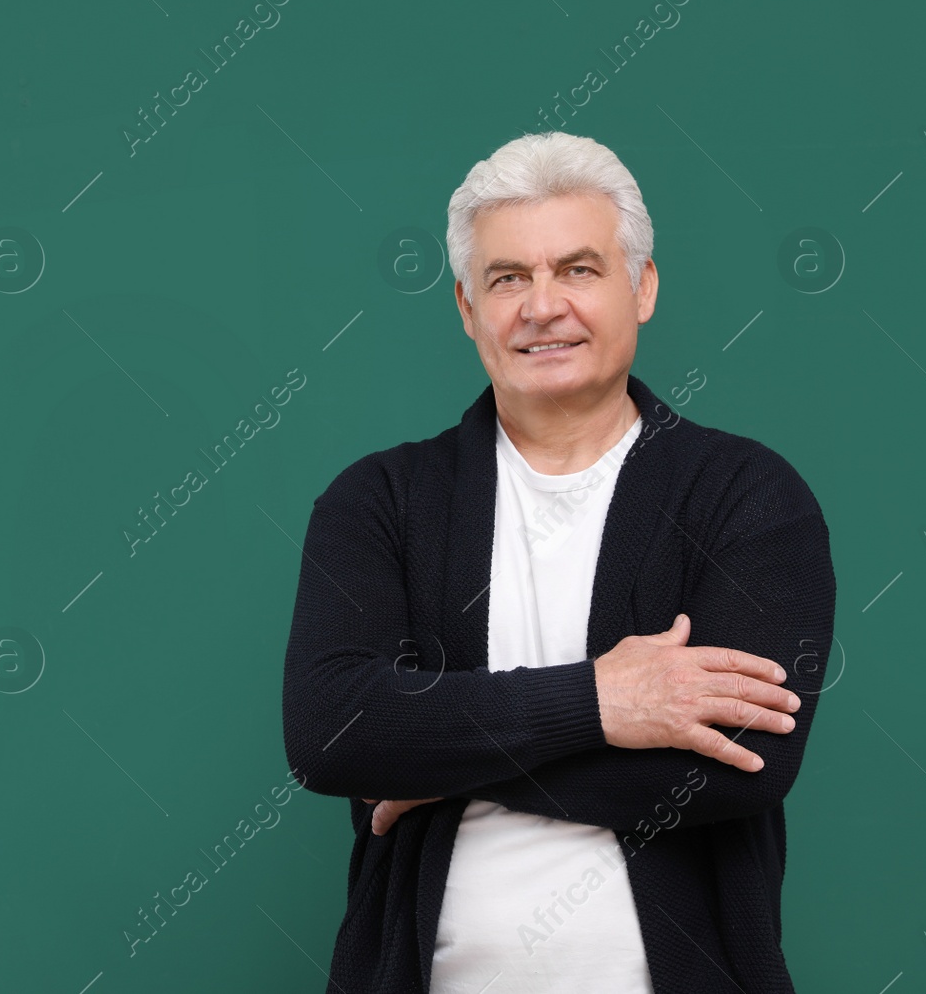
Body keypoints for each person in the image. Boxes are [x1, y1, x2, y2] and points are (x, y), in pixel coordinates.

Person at [281, 131, 836, 993]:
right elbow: (331, 733)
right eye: (509, 278)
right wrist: (599, 701)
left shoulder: (747, 495)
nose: (543, 306)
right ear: (467, 308)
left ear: (642, 287)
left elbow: (731, 764)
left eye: (579, 269)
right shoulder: (379, 500)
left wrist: (437, 764)